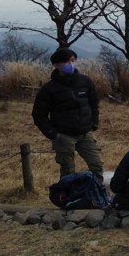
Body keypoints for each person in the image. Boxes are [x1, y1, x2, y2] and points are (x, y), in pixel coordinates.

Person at [32, 48, 104, 183]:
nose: (70, 64)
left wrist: (94, 122)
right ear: (56, 65)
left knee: (97, 164)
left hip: (85, 133)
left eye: (72, 60)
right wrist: (53, 134)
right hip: (63, 135)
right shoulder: (48, 89)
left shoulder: (85, 82)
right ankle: (68, 198)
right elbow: (38, 115)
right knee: (67, 169)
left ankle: (97, 194)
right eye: (66, 61)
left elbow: (94, 102)